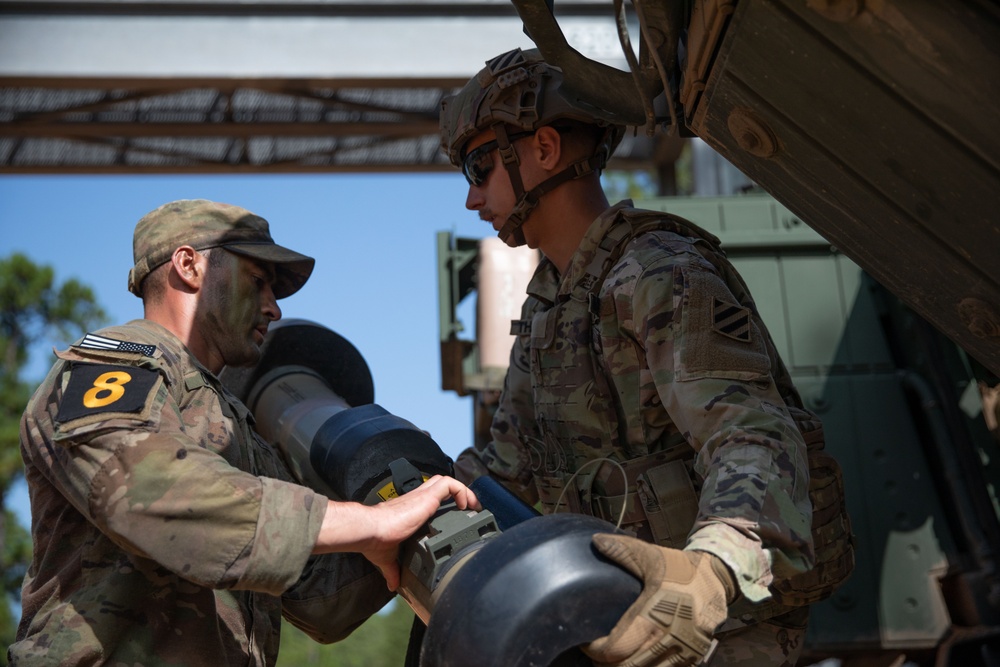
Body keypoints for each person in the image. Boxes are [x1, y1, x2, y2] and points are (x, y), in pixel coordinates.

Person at [440, 49, 854, 666]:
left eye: (478, 167)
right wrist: (430, 493)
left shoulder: (658, 273)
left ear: (544, 148)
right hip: (615, 619)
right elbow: (509, 472)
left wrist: (709, 575)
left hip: (719, 630)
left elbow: (754, 438)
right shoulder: (550, 304)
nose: (472, 199)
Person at [10, 199, 479, 665]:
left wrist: (419, 511)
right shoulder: (109, 367)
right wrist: (369, 523)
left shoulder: (233, 420)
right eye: (258, 282)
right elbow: (149, 493)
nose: (273, 309)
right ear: (189, 266)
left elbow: (320, 602)